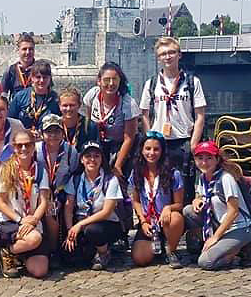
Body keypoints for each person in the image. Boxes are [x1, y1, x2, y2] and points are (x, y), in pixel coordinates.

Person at [139, 36, 208, 201]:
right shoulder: (151, 84)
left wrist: (193, 144)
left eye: (171, 52)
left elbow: (200, 115)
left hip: (183, 141)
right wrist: (150, 137)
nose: (167, 57)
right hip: (160, 142)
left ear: (179, 55)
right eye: (163, 54)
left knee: (185, 187)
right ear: (158, 58)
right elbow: (144, 114)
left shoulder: (192, 82)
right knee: (161, 185)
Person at [183, 141, 251, 270]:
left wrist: (215, 237)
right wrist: (197, 200)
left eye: (209, 158)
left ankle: (241, 250)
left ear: (217, 159)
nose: (204, 162)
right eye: (200, 158)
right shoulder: (203, 177)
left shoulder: (226, 178)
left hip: (238, 227)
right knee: (188, 211)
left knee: (205, 262)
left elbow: (233, 212)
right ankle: (228, 247)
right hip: (218, 222)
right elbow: (200, 194)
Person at [0, 130, 50, 279]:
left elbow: (44, 201)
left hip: (32, 222)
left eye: (28, 145)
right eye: (19, 146)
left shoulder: (40, 170)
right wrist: (20, 220)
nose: (23, 149)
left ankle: (19, 255)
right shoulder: (5, 169)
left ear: (33, 147)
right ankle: (7, 252)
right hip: (11, 221)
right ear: (14, 147)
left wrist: (34, 220)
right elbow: (0, 203)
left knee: (40, 271)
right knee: (34, 239)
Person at [63, 142, 124, 271]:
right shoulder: (76, 179)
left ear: (101, 159)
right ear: (81, 159)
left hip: (105, 224)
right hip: (81, 223)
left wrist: (79, 225)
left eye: (96, 156)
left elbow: (106, 212)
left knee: (93, 230)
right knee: (69, 258)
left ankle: (104, 252)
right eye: (88, 156)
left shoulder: (110, 179)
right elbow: (68, 208)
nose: (92, 159)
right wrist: (70, 230)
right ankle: (90, 251)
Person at [129, 132, 186, 269]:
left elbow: (179, 204)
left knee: (176, 218)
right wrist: (143, 221)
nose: (151, 153)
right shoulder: (136, 172)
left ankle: (171, 250)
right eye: (148, 149)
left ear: (162, 151)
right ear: (142, 150)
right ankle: (157, 245)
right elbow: (135, 201)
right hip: (149, 222)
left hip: (166, 220)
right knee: (140, 259)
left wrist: (168, 208)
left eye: (156, 149)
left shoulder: (173, 173)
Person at [82, 62, 141, 179]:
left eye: (114, 80)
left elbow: (129, 138)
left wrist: (118, 165)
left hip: (120, 146)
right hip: (98, 143)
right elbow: (88, 121)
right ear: (99, 81)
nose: (111, 84)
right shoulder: (92, 95)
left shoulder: (128, 104)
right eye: (106, 80)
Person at [35, 114, 79, 261]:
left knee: (53, 212)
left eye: (57, 131)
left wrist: (61, 195)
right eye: (49, 132)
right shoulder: (36, 150)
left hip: (61, 191)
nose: (53, 136)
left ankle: (54, 250)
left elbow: (72, 173)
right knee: (48, 210)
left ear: (62, 133)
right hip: (39, 191)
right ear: (42, 133)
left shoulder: (71, 152)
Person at [8, 60, 60, 133]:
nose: (41, 80)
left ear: (50, 78)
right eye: (38, 77)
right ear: (32, 78)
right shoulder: (20, 97)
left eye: (45, 77)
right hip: (23, 137)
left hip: (47, 138)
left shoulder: (56, 99)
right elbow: (10, 121)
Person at [59, 86, 96, 150]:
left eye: (72, 105)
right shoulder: (55, 125)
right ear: (59, 106)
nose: (68, 109)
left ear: (79, 105)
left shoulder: (89, 126)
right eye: (65, 105)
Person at [1, 33, 36, 98]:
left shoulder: (40, 70)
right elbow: (3, 96)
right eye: (24, 49)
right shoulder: (10, 71)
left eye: (31, 49)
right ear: (18, 50)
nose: (28, 52)